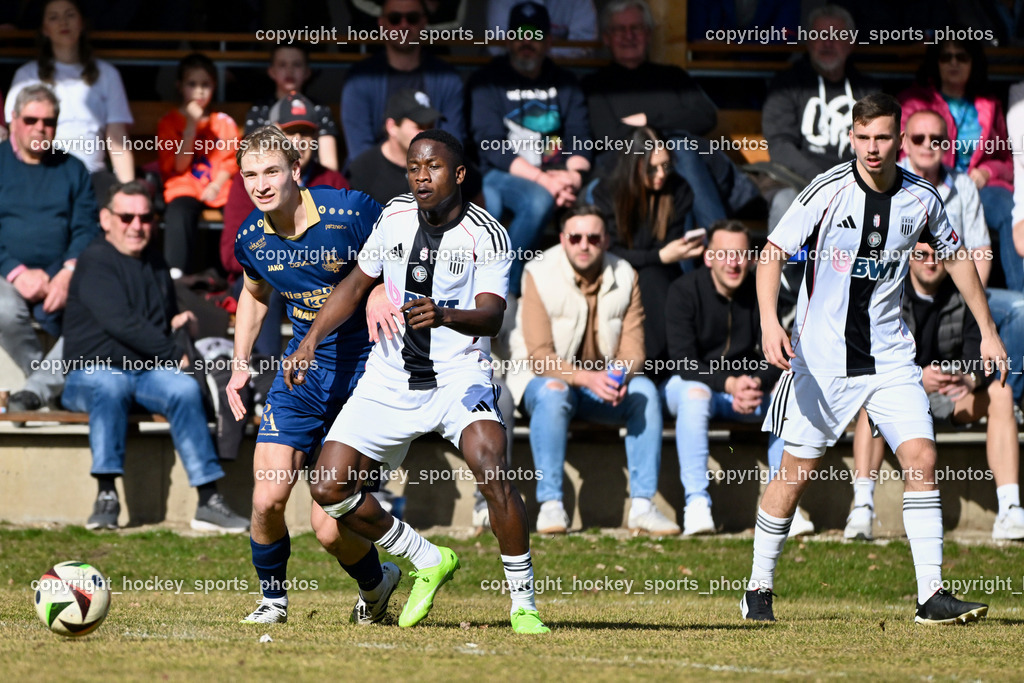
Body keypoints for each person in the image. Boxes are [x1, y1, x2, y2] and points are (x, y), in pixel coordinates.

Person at [745, 93, 1003, 625]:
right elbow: (771, 254)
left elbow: (957, 260)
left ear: (900, 139)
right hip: (823, 362)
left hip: (891, 359)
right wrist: (771, 322)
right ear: (852, 138)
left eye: (883, 137)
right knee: (794, 474)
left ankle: (931, 596)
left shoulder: (923, 198)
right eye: (863, 138)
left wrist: (989, 331)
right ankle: (757, 588)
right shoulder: (827, 190)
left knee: (922, 458)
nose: (872, 148)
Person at [282, 129, 550, 634]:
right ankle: (427, 558)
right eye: (413, 167)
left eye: (433, 166)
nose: (421, 176)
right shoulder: (395, 215)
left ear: (460, 174)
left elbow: (492, 316)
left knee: (491, 465)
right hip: (390, 376)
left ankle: (524, 604)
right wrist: (309, 340)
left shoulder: (487, 234)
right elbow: (356, 284)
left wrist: (445, 315)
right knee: (328, 486)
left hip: (458, 375)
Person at [226, 126, 400, 625]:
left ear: (296, 171)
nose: (260, 184)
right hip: (302, 375)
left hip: (366, 374)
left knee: (328, 527)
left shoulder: (351, 211)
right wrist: (241, 364)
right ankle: (273, 601)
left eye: (272, 172)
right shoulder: (252, 238)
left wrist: (384, 291)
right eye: (250, 175)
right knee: (267, 499)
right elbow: (255, 295)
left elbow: (401, 255)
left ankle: (376, 583)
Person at [60, 181, 250, 533]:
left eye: (146, 217)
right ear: (106, 219)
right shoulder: (94, 259)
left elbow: (152, 318)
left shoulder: (156, 262)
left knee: (183, 389)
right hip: (89, 374)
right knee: (111, 382)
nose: (136, 225)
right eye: (127, 216)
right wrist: (172, 351)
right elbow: (121, 322)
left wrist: (176, 322)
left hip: (144, 372)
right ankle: (106, 495)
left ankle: (209, 499)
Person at [507, 204, 679, 537]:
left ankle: (643, 506)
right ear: (562, 239)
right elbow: (539, 357)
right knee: (555, 393)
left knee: (644, 392)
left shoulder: (626, 273)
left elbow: (633, 351)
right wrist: (588, 378)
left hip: (601, 383)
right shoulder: (538, 272)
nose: (584, 244)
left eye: (593, 237)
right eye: (575, 237)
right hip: (543, 380)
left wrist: (615, 377)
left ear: (606, 240)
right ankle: (551, 504)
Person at [846, 241, 1024, 542]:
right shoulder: (888, 293)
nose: (930, 262)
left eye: (937, 255)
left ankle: (1010, 508)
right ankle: (862, 506)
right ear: (909, 259)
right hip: (898, 389)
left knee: (1002, 395)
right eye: (921, 255)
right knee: (870, 396)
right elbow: (870, 356)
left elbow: (978, 352)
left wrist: (968, 378)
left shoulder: (964, 293)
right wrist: (917, 377)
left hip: (949, 394)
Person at [662, 221, 811, 536]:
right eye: (725, 254)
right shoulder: (684, 291)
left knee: (790, 394)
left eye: (740, 254)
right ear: (708, 257)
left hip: (748, 388)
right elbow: (683, 361)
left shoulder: (761, 292)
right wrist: (729, 384)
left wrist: (756, 381)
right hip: (695, 386)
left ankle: (784, 505)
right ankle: (697, 505)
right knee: (693, 395)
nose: (733, 262)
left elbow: (781, 352)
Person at [581, 0, 759, 229]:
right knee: (677, 155)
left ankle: (717, 246)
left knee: (680, 155)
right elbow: (611, 136)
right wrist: (667, 132)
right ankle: (721, 242)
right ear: (606, 38)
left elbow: (705, 117)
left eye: (636, 28)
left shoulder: (672, 76)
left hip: (683, 173)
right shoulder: (594, 85)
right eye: (619, 30)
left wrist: (647, 121)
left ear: (648, 34)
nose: (629, 36)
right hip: (628, 172)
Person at [467, 1, 592, 297]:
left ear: (549, 41)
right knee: (534, 200)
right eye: (520, 34)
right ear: (509, 38)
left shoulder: (566, 82)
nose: (527, 41)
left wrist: (572, 178)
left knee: (586, 196)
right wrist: (545, 181)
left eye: (535, 35)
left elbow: (581, 136)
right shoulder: (486, 81)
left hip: (558, 175)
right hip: (500, 173)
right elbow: (490, 144)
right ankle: (504, 291)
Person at [223, 92, 349, 359]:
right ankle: (267, 373)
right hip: (263, 276)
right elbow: (229, 255)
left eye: (306, 133)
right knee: (273, 280)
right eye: (290, 132)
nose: (299, 141)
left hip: (323, 277)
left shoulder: (333, 181)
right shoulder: (249, 181)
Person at [0, 84, 97, 413]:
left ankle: (35, 391)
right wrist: (16, 272)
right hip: (6, 272)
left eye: (49, 121)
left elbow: (87, 228)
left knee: (97, 310)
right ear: (13, 120)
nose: (40, 127)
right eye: (31, 119)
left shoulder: (73, 169)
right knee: (2, 307)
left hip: (64, 272)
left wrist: (67, 273)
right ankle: (45, 381)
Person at [898, 40, 1017, 290]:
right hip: (932, 181)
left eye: (961, 57)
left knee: (1010, 209)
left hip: (979, 187)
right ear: (935, 62)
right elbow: (902, 155)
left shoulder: (989, 103)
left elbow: (1006, 161)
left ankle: (1019, 292)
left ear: (973, 62)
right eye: (946, 57)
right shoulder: (914, 101)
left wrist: (987, 172)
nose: (953, 62)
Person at [592, 125, 700, 383]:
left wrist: (673, 252)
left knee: (662, 280)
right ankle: (650, 372)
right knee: (650, 277)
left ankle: (660, 371)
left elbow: (669, 248)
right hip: (616, 268)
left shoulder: (678, 189)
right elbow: (612, 251)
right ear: (635, 166)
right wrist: (659, 256)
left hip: (661, 271)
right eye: (652, 168)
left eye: (666, 166)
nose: (661, 174)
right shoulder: (607, 193)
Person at [761, 4, 878, 230]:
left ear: (851, 43)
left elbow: (881, 143)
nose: (827, 42)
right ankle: (784, 267)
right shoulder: (786, 84)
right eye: (819, 35)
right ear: (808, 42)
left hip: (857, 184)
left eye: (836, 36)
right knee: (784, 203)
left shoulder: (868, 89)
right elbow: (780, 146)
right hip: (800, 182)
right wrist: (822, 183)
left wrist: (853, 184)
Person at [4, 0, 135, 202]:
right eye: (54, 17)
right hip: (44, 172)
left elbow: (117, 139)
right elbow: (15, 135)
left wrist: (129, 191)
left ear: (82, 23)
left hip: (93, 175)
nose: (63, 22)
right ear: (44, 29)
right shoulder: (27, 75)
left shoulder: (107, 75)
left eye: (70, 15)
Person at [340, 0, 465, 161]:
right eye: (395, 18)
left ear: (423, 22)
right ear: (382, 23)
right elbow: (360, 152)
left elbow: (451, 146)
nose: (404, 25)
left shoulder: (448, 78)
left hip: (432, 177)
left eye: (412, 18)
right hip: (374, 180)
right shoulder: (359, 78)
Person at [157, 53, 239, 276]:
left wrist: (215, 186)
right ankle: (176, 274)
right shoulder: (169, 122)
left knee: (238, 207)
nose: (199, 91)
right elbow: (179, 166)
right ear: (179, 86)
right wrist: (191, 126)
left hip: (218, 186)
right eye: (192, 84)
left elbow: (230, 163)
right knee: (179, 210)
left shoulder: (223, 122)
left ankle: (234, 272)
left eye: (205, 84)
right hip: (185, 185)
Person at [243, 45, 339, 172]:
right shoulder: (259, 110)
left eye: (297, 65)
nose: (289, 71)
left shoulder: (319, 109)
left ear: (307, 72)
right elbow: (252, 161)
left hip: (313, 183)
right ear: (271, 71)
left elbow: (329, 166)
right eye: (282, 64)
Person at [348, 88, 439, 205]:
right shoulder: (363, 170)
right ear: (392, 127)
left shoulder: (447, 162)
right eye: (419, 126)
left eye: (430, 125)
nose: (426, 133)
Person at [486, 0, 598, 59]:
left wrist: (533, 50)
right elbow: (497, 45)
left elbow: (585, 46)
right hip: (510, 73)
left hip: (563, 74)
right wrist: (553, 44)